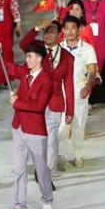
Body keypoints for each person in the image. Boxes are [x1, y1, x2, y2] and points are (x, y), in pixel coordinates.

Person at [19, 19, 74, 177]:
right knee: (36, 139)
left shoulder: (67, 57)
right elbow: (23, 44)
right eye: (46, 31)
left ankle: (46, 174)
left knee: (52, 140)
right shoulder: (36, 48)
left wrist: (70, 109)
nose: (48, 34)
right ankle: (39, 166)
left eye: (52, 31)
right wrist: (37, 27)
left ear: (59, 34)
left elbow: (69, 84)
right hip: (35, 101)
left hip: (55, 102)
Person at [4, 43, 54, 209]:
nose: (27, 60)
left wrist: (17, 103)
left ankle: (47, 199)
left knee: (41, 169)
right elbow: (9, 67)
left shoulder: (46, 80)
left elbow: (39, 106)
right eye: (26, 57)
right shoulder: (25, 72)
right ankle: (20, 206)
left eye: (30, 57)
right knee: (19, 169)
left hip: (35, 131)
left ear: (40, 59)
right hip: (18, 127)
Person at [58, 15, 97, 168]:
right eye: (67, 28)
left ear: (79, 29)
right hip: (61, 94)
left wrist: (88, 86)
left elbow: (92, 71)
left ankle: (78, 155)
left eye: (73, 28)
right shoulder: (58, 48)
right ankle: (61, 156)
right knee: (61, 127)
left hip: (79, 94)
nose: (70, 31)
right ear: (63, 30)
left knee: (78, 126)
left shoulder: (87, 49)